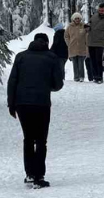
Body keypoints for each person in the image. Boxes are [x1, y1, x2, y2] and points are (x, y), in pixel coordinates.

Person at [7, 33, 65, 189]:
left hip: (22, 103)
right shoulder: (51, 57)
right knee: (41, 140)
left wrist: (11, 104)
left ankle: (30, 174)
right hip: (41, 103)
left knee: (28, 138)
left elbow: (12, 81)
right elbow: (58, 84)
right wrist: (47, 86)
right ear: (46, 42)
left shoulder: (21, 57)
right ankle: (39, 176)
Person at [64, 13, 89, 82]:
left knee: (81, 63)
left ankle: (81, 77)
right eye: (76, 18)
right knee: (75, 63)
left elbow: (87, 34)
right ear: (73, 19)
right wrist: (69, 43)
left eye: (78, 18)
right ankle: (76, 77)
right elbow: (66, 36)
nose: (77, 20)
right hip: (72, 48)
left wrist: (86, 43)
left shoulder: (83, 25)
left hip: (82, 47)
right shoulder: (69, 27)